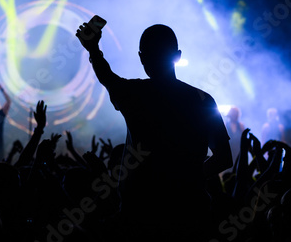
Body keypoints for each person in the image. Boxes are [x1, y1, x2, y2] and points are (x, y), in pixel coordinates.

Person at [76, 21, 232, 241]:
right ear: (177, 56)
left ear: (142, 57)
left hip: (140, 217)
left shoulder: (135, 94)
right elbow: (224, 158)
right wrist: (189, 177)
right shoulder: (203, 100)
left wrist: (93, 48)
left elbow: (106, 76)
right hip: (191, 215)